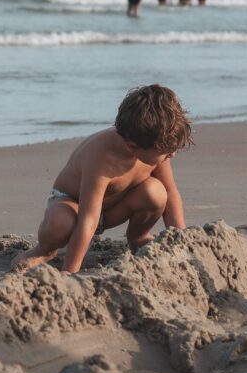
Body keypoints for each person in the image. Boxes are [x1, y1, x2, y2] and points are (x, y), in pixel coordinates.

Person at [10, 84, 192, 274]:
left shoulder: (155, 143)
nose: (172, 155)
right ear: (132, 147)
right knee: (60, 222)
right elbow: (89, 217)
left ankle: (138, 238)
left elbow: (171, 194)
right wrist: (70, 272)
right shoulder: (103, 157)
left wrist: (183, 243)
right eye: (166, 152)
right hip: (74, 205)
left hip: (113, 209)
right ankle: (44, 251)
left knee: (157, 192)